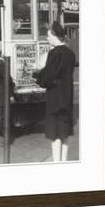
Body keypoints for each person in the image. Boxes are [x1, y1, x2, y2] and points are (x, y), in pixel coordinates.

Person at [33, 21, 76, 162]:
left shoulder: (54, 53)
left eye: (48, 36)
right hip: (67, 98)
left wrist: (37, 77)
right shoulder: (70, 54)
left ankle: (56, 164)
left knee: (55, 135)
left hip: (55, 100)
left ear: (55, 36)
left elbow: (48, 76)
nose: (47, 38)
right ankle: (64, 162)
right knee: (65, 134)